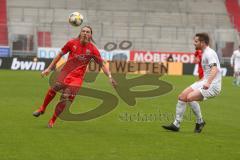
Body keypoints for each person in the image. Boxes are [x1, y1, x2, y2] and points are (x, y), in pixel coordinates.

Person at [33, 25, 117, 128]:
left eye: (88, 32)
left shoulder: (93, 50)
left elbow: (102, 64)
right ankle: (42, 108)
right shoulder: (71, 43)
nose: (85, 33)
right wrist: (49, 68)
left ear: (91, 35)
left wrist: (109, 76)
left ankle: (52, 120)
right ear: (80, 33)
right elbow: (59, 55)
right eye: (83, 31)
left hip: (77, 78)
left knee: (65, 97)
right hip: (65, 73)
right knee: (54, 87)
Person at [162, 33, 222, 133]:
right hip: (205, 80)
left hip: (213, 85)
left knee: (189, 98)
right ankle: (176, 124)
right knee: (182, 96)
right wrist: (202, 81)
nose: (194, 43)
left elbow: (214, 69)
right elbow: (208, 71)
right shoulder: (204, 52)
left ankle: (200, 122)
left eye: (196, 41)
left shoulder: (209, 53)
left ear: (202, 43)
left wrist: (208, 83)